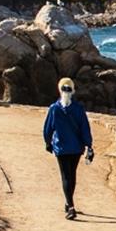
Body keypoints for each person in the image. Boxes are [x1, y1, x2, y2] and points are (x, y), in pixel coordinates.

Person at [42, 76, 94, 219]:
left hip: (61, 148)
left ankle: (70, 206)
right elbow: (85, 128)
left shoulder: (54, 108)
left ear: (60, 90)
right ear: (73, 91)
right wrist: (89, 145)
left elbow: (48, 128)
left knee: (65, 176)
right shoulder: (78, 109)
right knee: (72, 175)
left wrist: (48, 142)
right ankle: (68, 202)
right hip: (76, 148)